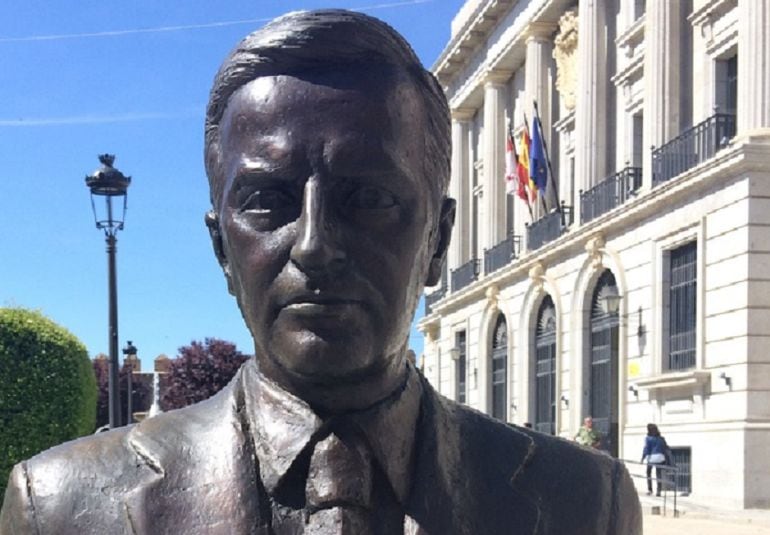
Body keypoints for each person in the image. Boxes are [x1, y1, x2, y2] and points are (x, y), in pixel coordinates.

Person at [0, 10, 642, 534]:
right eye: (265, 202)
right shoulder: (58, 508)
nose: (313, 245)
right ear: (223, 249)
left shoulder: (586, 506)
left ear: (437, 240)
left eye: (367, 199)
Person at [642, 423, 671, 496]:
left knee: (648, 473)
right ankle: (659, 490)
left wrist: (643, 458)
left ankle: (650, 489)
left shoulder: (648, 438)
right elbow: (665, 448)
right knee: (658, 474)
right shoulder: (661, 439)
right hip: (660, 457)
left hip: (651, 458)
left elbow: (646, 449)